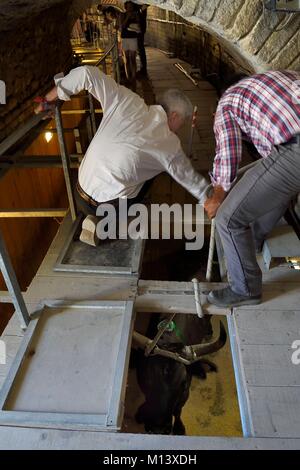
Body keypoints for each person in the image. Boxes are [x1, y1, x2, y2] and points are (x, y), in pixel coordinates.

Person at [35, 66, 208, 244]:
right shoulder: (169, 143)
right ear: (174, 115)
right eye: (183, 121)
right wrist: (209, 197)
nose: (181, 127)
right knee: (152, 175)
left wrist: (49, 99)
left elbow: (86, 73)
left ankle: (94, 217)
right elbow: (190, 178)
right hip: (106, 208)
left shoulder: (126, 99)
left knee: (143, 163)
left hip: (78, 191)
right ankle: (110, 225)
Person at [204, 70, 300, 308]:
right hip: (293, 148)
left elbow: (228, 156)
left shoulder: (227, 102)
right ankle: (253, 239)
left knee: (228, 218)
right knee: (278, 185)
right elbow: (273, 163)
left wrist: (218, 196)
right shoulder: (280, 77)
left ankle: (244, 288)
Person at [121, 1, 141, 84]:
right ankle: (128, 76)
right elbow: (122, 26)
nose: (130, 8)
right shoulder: (123, 15)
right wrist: (127, 17)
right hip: (125, 38)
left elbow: (139, 26)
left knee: (133, 58)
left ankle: (133, 76)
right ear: (125, 7)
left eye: (131, 6)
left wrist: (135, 18)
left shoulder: (136, 14)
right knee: (127, 59)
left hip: (133, 38)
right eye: (128, 6)